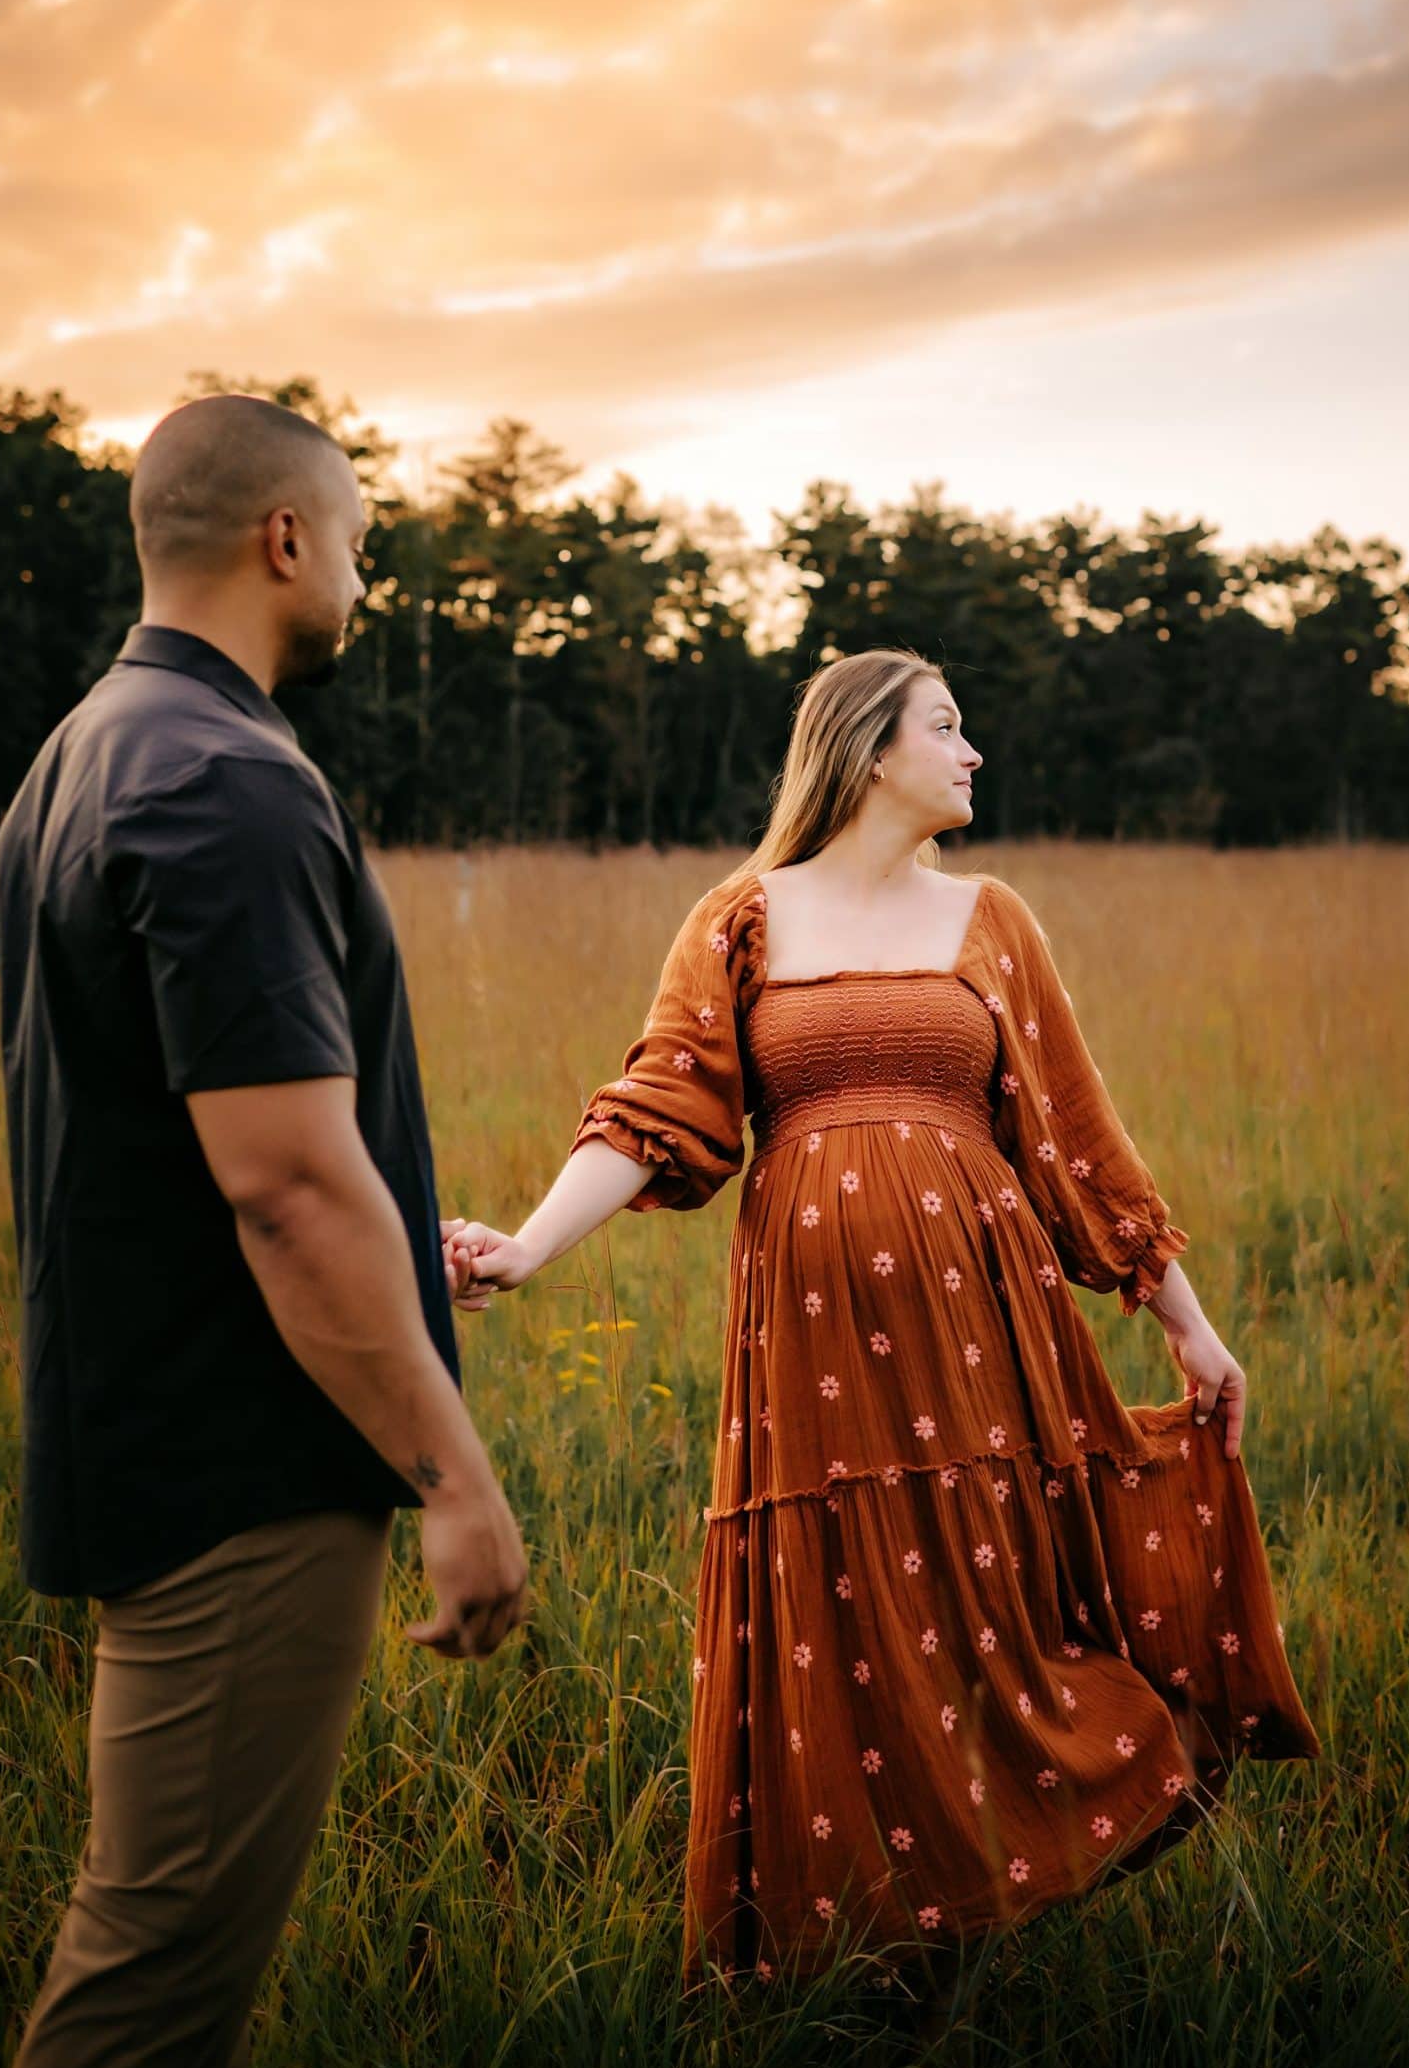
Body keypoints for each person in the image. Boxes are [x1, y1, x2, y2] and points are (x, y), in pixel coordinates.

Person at [446, 647, 1321, 1985]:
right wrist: (527, 1247)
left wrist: (1189, 1328)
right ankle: (862, 1949)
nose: (974, 755)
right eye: (949, 728)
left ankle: (985, 1902)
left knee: (988, 1604)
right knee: (850, 1622)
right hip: (814, 1364)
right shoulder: (740, 919)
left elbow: (1079, 1141)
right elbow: (656, 1110)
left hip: (989, 1342)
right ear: (865, 751)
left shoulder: (991, 918)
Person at [0, 393, 529, 2068]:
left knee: (151, 1952)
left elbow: (198, 1134)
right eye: (360, 541)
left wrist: (378, 1217)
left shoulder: (84, 755)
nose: (365, 578)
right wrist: (454, 1475)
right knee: (152, 1988)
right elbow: (283, 1192)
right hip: (246, 1475)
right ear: (285, 539)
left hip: (152, 1421)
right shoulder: (231, 781)